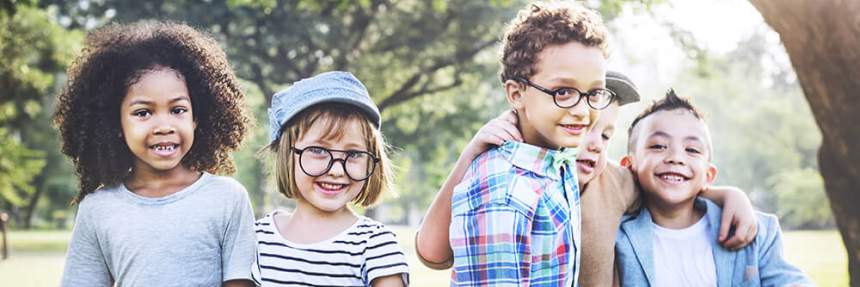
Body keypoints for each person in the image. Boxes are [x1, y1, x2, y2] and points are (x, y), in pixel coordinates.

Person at [417, 71, 760, 286]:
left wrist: (727, 195)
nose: (594, 144)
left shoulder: (614, 182)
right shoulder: (510, 180)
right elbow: (431, 253)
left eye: (606, 135)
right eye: (584, 129)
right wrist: (471, 153)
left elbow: (667, 184)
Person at [55, 21, 256, 286]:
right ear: (116, 124)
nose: (164, 126)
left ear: (197, 117)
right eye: (143, 113)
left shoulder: (228, 199)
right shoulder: (98, 209)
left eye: (177, 110)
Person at [615, 90, 811, 286]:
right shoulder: (616, 235)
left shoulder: (755, 231)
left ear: (708, 175)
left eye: (691, 149)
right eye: (658, 146)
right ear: (629, 166)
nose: (676, 157)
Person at [252, 71, 409, 287]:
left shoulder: (375, 245)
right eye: (318, 150)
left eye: (353, 154)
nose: (336, 170)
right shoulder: (256, 238)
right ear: (288, 154)